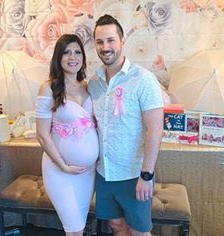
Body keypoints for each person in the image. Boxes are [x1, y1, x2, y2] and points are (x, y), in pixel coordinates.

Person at [88, 15, 164, 236]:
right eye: (100, 42)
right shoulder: (94, 82)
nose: (105, 47)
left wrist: (146, 176)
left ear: (122, 41)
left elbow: (155, 130)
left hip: (133, 174)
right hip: (104, 173)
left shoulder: (144, 79)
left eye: (111, 40)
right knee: (116, 226)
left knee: (139, 231)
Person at [36, 34, 99, 236]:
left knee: (78, 225)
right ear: (58, 57)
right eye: (67, 52)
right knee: (74, 229)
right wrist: (63, 165)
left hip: (87, 173)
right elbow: (42, 135)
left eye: (77, 52)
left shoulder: (88, 86)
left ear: (83, 57)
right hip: (60, 171)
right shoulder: (49, 88)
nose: (73, 57)